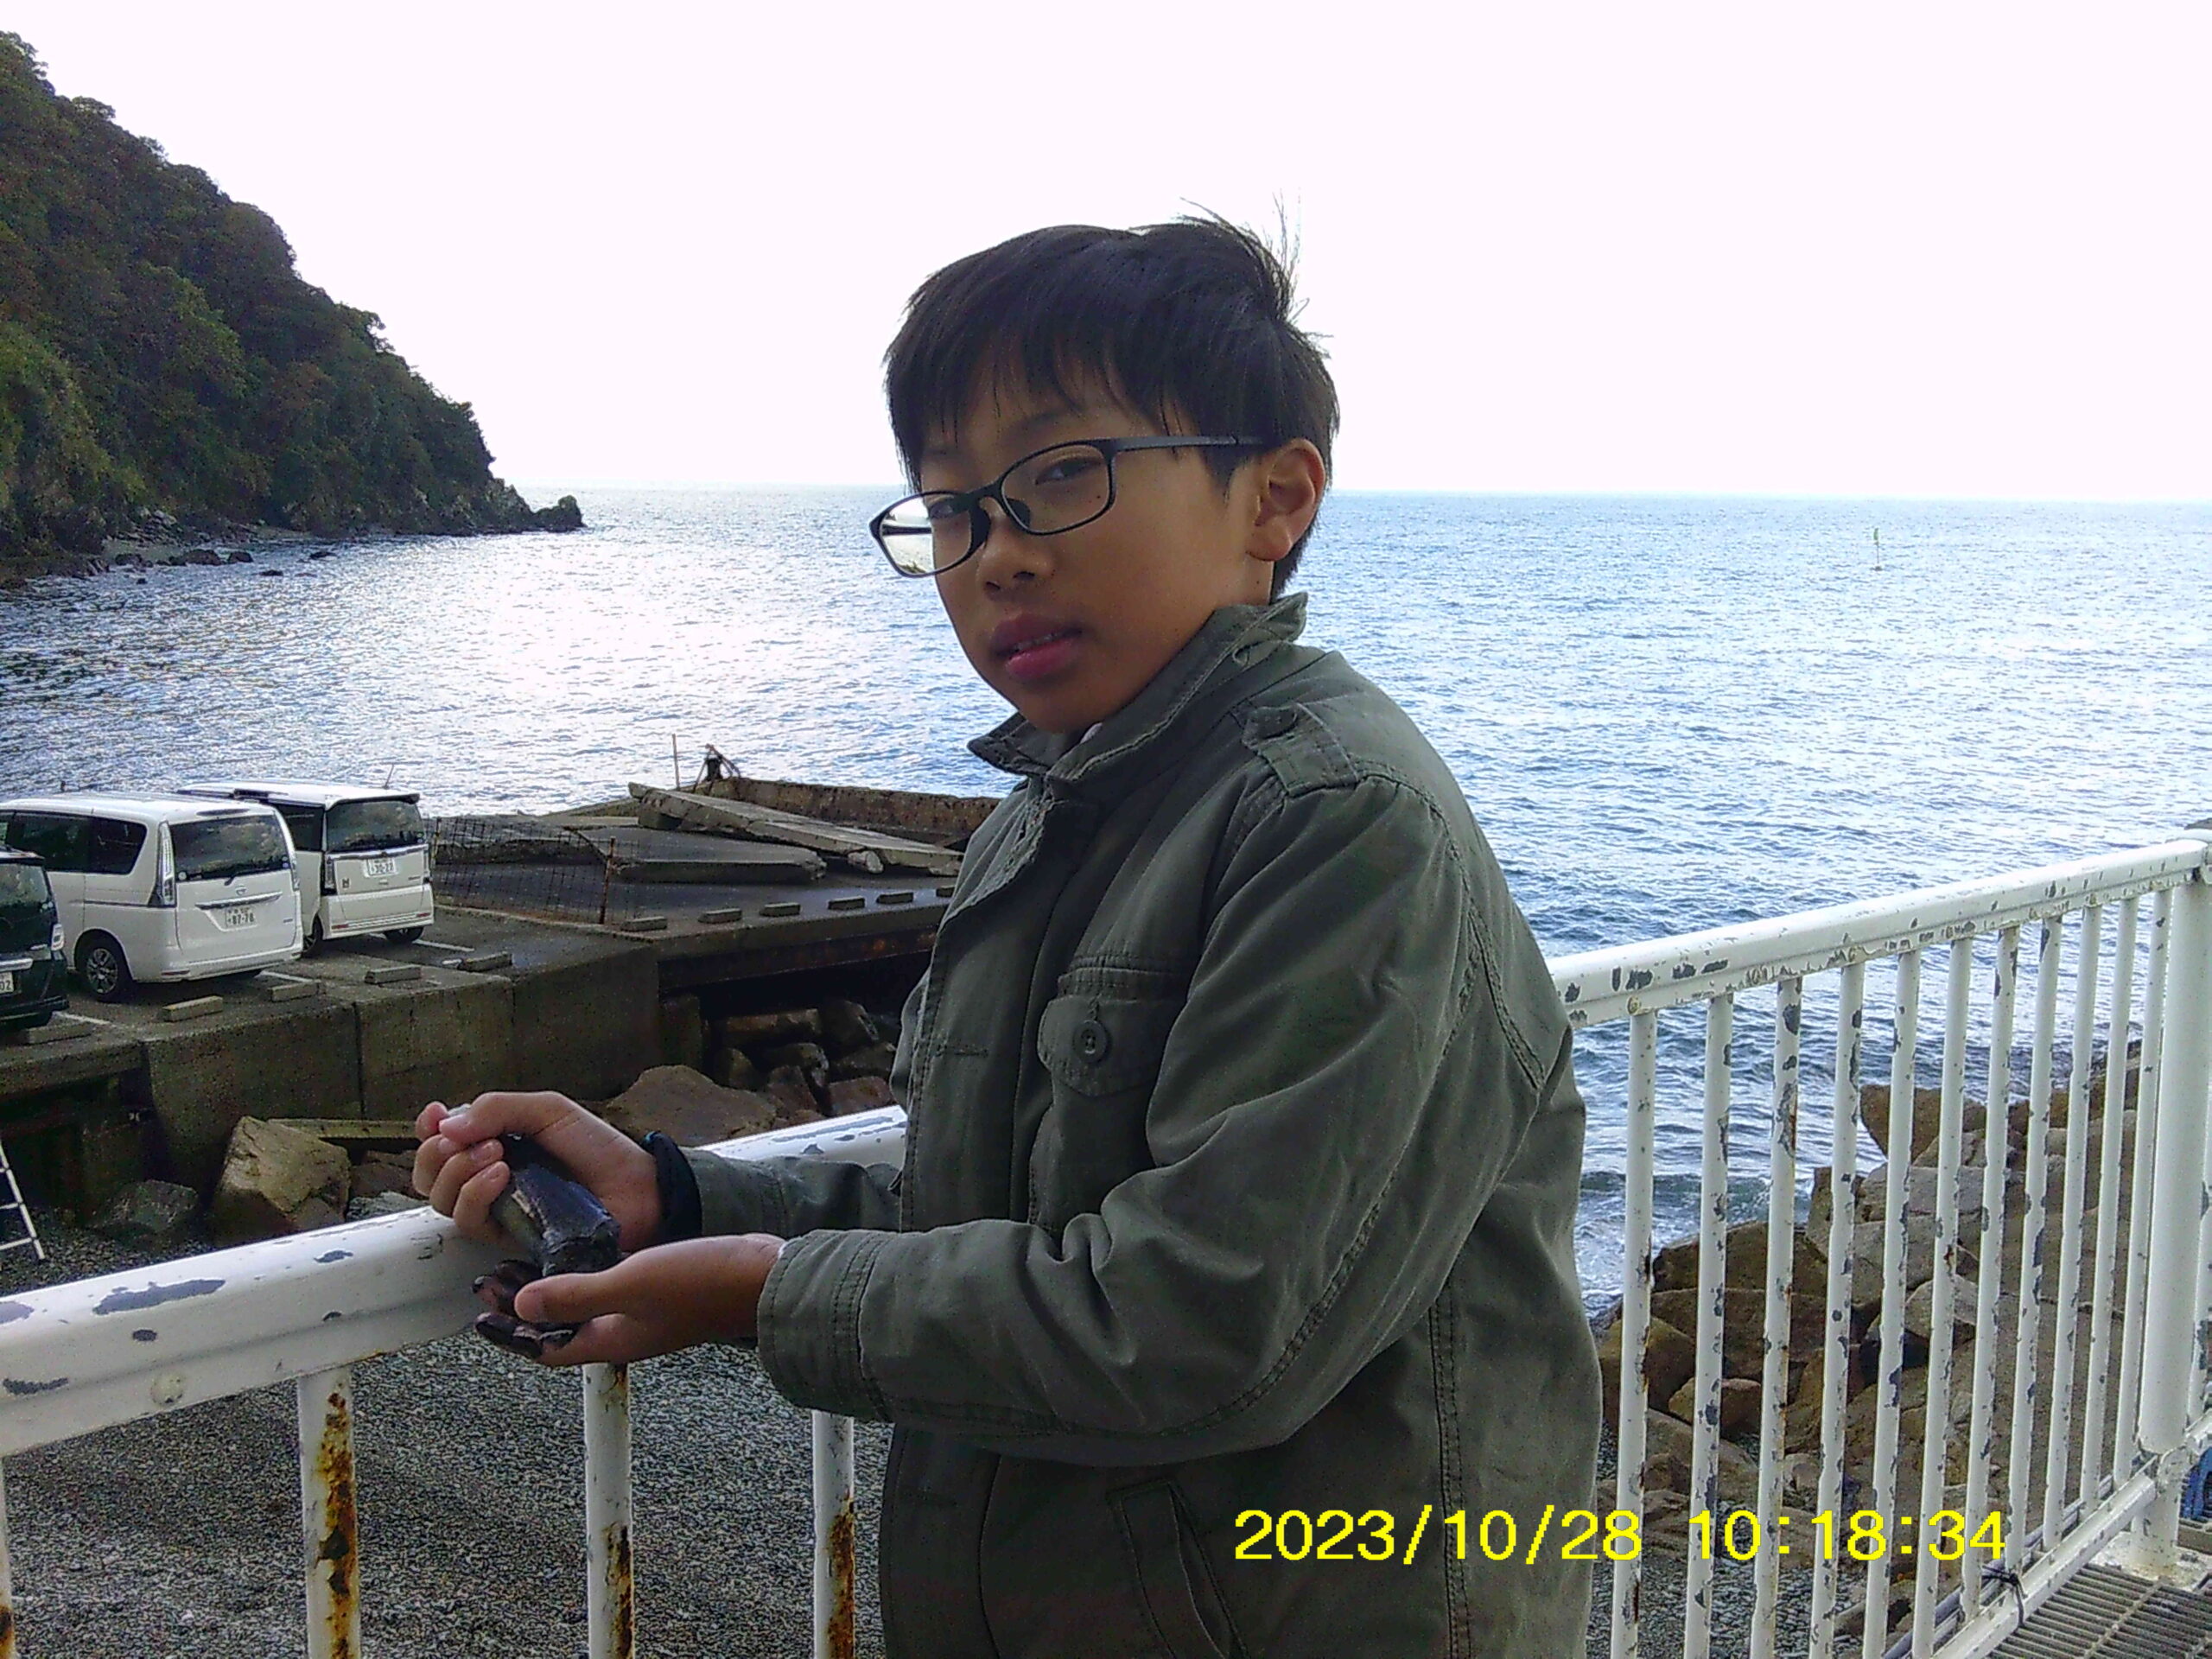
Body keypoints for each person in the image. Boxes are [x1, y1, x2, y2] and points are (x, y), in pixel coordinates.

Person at [415, 217, 1599, 1657]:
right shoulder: (1057, 814)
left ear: (1275, 498)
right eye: (953, 508)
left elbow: (1205, 1328)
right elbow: (997, 1222)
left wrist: (760, 1297)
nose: (997, 557)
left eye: (1058, 476)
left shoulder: (1338, 819)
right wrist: (683, 1200)